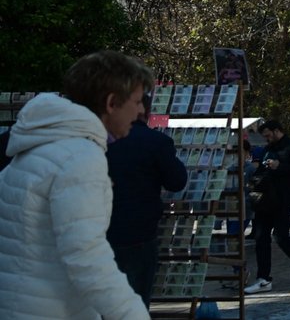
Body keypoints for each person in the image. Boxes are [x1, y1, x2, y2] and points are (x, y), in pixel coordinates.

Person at [0, 50, 153, 319]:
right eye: (137, 101)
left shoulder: (41, 145)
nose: (141, 110)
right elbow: (88, 258)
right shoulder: (80, 158)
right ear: (111, 102)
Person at [107, 108, 188, 306]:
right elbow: (176, 181)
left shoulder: (96, 139)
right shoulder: (155, 141)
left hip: (101, 231)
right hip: (140, 232)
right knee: (136, 301)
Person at [245, 119, 290, 295]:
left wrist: (280, 166)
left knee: (280, 236)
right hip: (266, 200)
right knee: (261, 237)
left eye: (268, 135)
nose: (266, 139)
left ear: (277, 130)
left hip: (284, 199)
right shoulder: (268, 149)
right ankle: (263, 278)